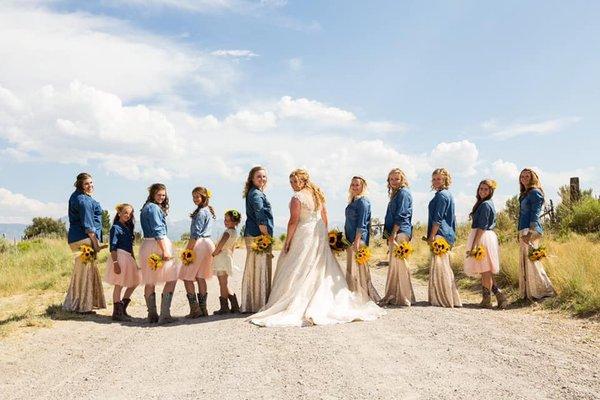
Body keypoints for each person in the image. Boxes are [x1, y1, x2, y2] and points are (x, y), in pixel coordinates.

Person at [249, 169, 384, 327]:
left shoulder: (297, 197)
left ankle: (300, 300)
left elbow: (293, 221)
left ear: (303, 181)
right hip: (318, 231)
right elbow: (325, 215)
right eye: (291, 182)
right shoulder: (317, 194)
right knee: (319, 265)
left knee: (300, 264)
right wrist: (324, 234)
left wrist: (287, 241)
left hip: (304, 232)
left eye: (295, 181)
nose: (293, 185)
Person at [63, 172, 106, 314]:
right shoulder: (84, 200)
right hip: (85, 240)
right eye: (87, 183)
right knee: (85, 273)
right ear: (80, 184)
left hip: (75, 238)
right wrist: (95, 243)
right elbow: (89, 225)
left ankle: (77, 303)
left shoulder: (75, 196)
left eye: (91, 183)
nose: (90, 186)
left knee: (81, 272)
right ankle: (81, 306)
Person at [240, 166, 274, 313]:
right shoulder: (256, 195)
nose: (262, 179)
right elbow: (260, 217)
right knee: (259, 269)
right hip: (258, 235)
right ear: (252, 179)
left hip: (253, 233)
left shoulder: (255, 193)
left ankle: (253, 303)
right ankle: (259, 304)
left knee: (254, 268)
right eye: (258, 176)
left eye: (264, 176)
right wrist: (265, 236)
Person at [517, 168, 555, 300]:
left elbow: (535, 213)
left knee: (533, 261)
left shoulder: (534, 192)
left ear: (533, 178)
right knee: (526, 262)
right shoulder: (525, 194)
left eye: (527, 176)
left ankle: (545, 291)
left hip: (531, 230)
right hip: (524, 229)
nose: (524, 178)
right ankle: (530, 293)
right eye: (522, 176)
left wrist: (530, 233)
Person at [380, 168, 415, 307]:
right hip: (396, 232)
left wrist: (393, 234)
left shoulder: (404, 193)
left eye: (397, 179)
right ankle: (396, 295)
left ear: (402, 180)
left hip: (400, 232)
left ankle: (405, 297)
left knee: (401, 265)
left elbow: (401, 215)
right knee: (396, 265)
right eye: (391, 179)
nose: (394, 181)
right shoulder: (396, 194)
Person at [179, 186, 215, 318]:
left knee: (186, 276)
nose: (195, 199)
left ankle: (195, 310)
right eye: (193, 197)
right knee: (200, 276)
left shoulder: (200, 213)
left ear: (204, 197)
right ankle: (203, 309)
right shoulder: (208, 211)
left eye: (197, 196)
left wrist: (187, 250)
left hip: (199, 244)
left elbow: (195, 234)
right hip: (208, 243)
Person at [104, 203, 141, 321]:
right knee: (119, 285)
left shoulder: (128, 228)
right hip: (119, 257)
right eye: (125, 212)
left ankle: (123, 308)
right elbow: (113, 247)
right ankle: (117, 313)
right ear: (119, 213)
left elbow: (130, 247)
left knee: (135, 282)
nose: (128, 215)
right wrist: (115, 263)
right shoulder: (115, 227)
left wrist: (134, 262)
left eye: (130, 214)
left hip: (128, 257)